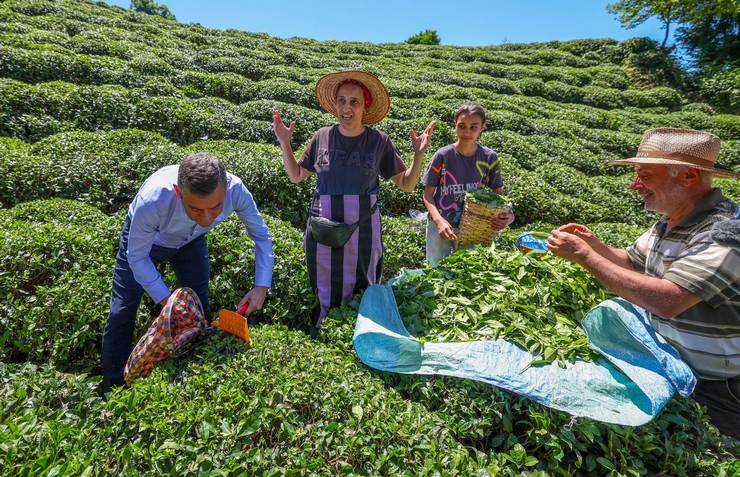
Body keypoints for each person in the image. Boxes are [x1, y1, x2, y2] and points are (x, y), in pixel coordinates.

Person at [547, 128, 739, 439]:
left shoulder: (725, 233)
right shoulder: (670, 220)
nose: (636, 186)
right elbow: (631, 261)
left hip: (718, 388)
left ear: (688, 177)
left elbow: (669, 300)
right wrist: (593, 244)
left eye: (646, 176)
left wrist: (585, 257)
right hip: (672, 367)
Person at [272, 70, 435, 327]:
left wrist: (418, 156)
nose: (346, 108)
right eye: (342, 100)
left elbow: (406, 184)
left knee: (363, 279)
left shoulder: (378, 141)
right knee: (323, 278)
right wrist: (284, 142)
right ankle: (324, 327)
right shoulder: (321, 136)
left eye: (354, 102)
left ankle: (362, 326)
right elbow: (296, 175)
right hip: (324, 225)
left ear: (364, 106)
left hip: (363, 229)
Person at [101, 152, 274, 393]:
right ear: (178, 192)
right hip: (150, 242)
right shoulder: (153, 199)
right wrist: (167, 301)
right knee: (122, 310)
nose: (206, 217)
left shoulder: (237, 190)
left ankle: (192, 373)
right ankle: (112, 386)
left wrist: (261, 286)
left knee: (199, 305)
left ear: (225, 189)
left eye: (215, 208)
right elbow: (137, 257)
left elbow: (262, 236)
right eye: (195, 209)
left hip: (191, 240)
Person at [422, 103, 515, 266]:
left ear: (482, 128)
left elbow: (499, 197)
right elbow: (428, 195)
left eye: (474, 127)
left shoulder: (489, 158)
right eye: (462, 126)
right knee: (435, 271)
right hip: (441, 227)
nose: (467, 132)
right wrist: (439, 221)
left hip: (474, 228)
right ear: (455, 125)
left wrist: (508, 217)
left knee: (467, 273)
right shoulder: (443, 156)